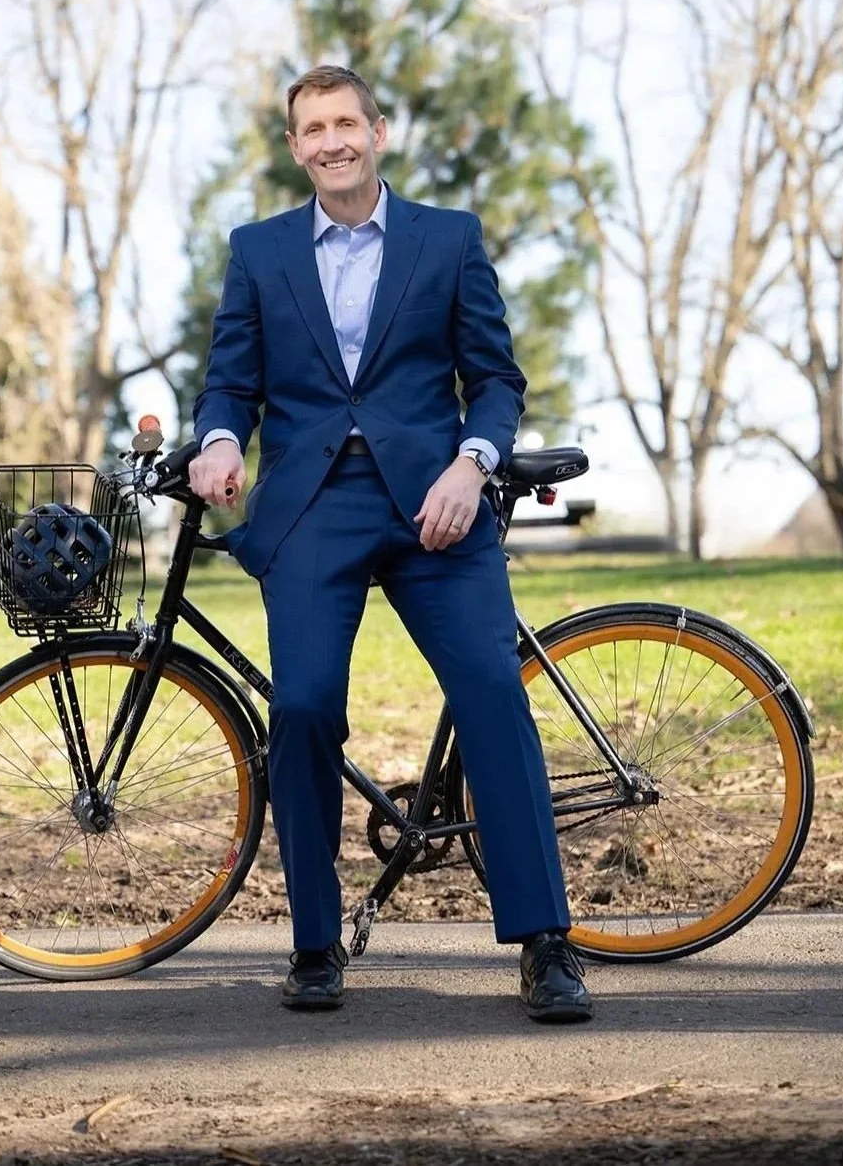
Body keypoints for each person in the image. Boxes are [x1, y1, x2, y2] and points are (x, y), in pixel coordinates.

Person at [189, 65, 592, 1023]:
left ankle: (546, 943)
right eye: (311, 128)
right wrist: (213, 442)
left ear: (378, 132)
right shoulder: (258, 250)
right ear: (295, 147)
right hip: (312, 507)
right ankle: (315, 943)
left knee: (494, 691)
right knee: (304, 705)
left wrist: (474, 461)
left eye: (345, 123)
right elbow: (229, 381)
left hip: (437, 503)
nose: (330, 141)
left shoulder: (448, 239)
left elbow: (495, 377)